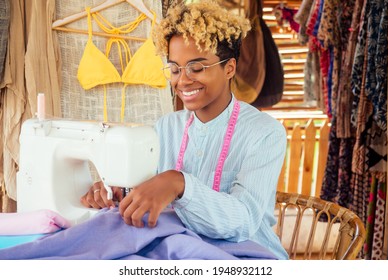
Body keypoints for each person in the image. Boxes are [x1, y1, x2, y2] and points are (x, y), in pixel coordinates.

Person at [81, 0, 288, 260]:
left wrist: (179, 183)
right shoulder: (165, 128)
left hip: (247, 256)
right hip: (179, 250)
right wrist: (115, 192)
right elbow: (141, 188)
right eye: (175, 69)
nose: (183, 79)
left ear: (230, 68)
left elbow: (243, 222)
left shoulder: (265, 133)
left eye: (197, 67)